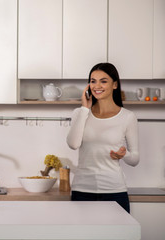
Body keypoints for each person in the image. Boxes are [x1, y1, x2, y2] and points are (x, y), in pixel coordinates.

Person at [66, 62, 139, 213]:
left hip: (115, 192)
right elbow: (73, 144)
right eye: (93, 81)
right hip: (82, 190)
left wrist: (124, 154)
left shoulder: (127, 117)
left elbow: (135, 159)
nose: (96, 86)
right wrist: (85, 109)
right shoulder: (79, 113)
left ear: (115, 85)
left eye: (103, 81)